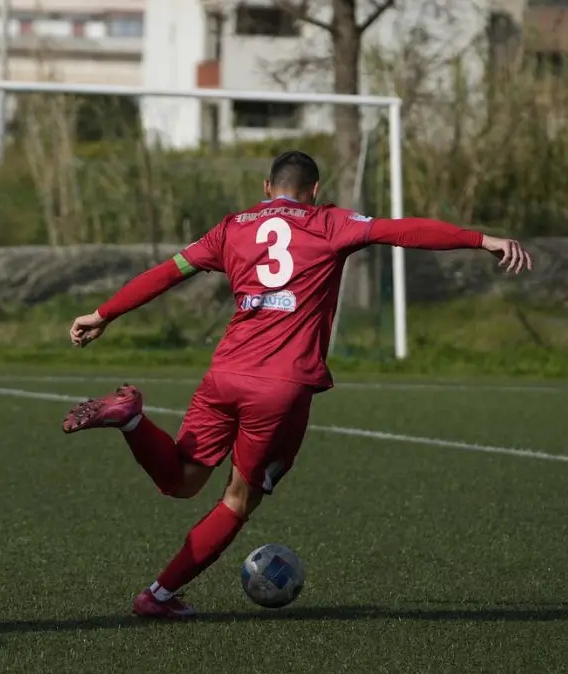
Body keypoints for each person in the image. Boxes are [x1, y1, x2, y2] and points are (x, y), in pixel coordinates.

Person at [62, 151, 532, 620]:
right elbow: (402, 231)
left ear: (267, 188)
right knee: (239, 499)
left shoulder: (231, 227)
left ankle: (132, 421)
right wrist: (481, 239)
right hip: (280, 387)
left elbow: (167, 272)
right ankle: (157, 597)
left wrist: (103, 314)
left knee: (181, 481)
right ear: (316, 189)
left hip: (224, 374)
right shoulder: (329, 223)